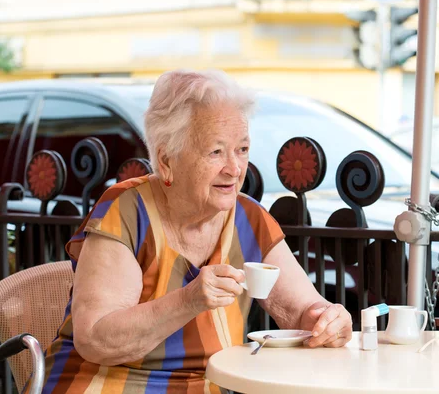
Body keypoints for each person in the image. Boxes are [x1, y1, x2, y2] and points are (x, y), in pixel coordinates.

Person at [38, 70, 352, 393]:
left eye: (242, 149)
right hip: (103, 384)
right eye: (216, 152)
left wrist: (330, 323)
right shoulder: (126, 212)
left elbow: (305, 313)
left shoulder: (249, 219)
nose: (234, 168)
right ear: (166, 160)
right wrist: (189, 300)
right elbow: (95, 340)